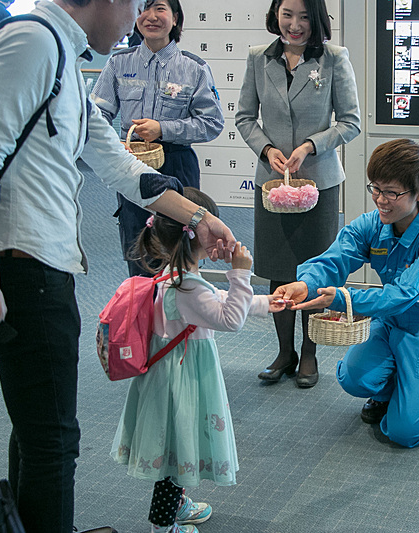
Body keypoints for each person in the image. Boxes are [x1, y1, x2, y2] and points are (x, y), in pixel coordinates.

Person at [0, 1, 237, 532]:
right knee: (54, 438)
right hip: (19, 268)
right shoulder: (31, 43)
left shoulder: (61, 57)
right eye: (132, 5)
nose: (133, 20)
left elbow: (120, 167)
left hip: (40, 266)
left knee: (38, 430)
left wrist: (198, 217)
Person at [113, 187, 286, 533]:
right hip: (183, 379)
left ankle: (176, 505)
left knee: (177, 446)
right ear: (198, 235)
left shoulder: (174, 278)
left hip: (171, 374)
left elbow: (219, 302)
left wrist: (266, 303)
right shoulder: (187, 287)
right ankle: (162, 525)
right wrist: (241, 274)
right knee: (176, 453)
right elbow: (228, 320)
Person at [273, 139, 419, 448]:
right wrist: (304, 285)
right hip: (390, 325)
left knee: (407, 433)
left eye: (391, 192)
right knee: (353, 377)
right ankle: (394, 389)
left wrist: (343, 298)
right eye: (375, 188)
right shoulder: (372, 226)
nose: (380, 200)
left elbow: (404, 293)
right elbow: (335, 259)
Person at [235, 0, 361, 388]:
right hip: (274, 186)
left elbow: (351, 122)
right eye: (287, 14)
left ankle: (309, 354)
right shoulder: (259, 57)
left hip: (318, 184)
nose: (295, 24)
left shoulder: (334, 58)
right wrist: (266, 149)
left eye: (304, 16)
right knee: (277, 270)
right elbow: (244, 117)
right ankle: (284, 351)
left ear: (316, 19)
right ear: (275, 15)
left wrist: (310, 145)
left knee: (314, 270)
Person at [92, 0, 224, 277]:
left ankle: (182, 318)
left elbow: (212, 123)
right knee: (138, 247)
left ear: (175, 18)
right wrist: (113, 143)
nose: (151, 16)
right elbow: (96, 114)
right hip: (132, 165)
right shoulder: (118, 62)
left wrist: (163, 129)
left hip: (177, 165)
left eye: (160, 9)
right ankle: (141, 314)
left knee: (181, 252)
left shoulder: (194, 68)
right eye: (144, 8)